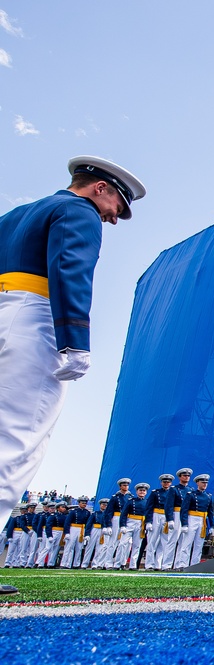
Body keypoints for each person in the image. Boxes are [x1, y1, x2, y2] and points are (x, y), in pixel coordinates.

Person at [0, 157, 146, 534]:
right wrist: (75, 341)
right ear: (100, 188)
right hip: (34, 319)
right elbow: (70, 269)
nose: (113, 218)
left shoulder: (17, 215)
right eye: (118, 207)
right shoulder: (79, 211)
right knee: (18, 440)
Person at [176, 474, 214, 569]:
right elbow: (184, 510)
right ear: (197, 483)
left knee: (199, 544)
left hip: (202, 521)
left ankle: (195, 565)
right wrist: (184, 524)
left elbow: (210, 512)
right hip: (191, 518)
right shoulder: (191, 495)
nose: (205, 484)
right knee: (187, 543)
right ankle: (183, 564)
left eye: (206, 483)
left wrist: (211, 526)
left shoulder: (208, 496)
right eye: (202, 482)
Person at [161, 468, 193, 570]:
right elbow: (168, 505)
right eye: (184, 475)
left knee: (184, 542)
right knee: (172, 541)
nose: (186, 477)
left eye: (188, 476)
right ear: (180, 477)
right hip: (176, 514)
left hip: (186, 516)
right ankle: (166, 564)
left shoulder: (191, 490)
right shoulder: (174, 489)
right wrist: (169, 519)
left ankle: (180, 564)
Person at [115, 482, 149, 570]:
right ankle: (118, 563)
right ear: (137, 491)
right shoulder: (131, 501)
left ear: (146, 492)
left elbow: (149, 514)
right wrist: (122, 525)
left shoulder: (147, 502)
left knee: (137, 545)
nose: (142, 492)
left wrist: (147, 524)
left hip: (141, 524)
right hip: (130, 523)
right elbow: (124, 513)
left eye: (143, 490)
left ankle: (133, 565)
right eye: (140, 490)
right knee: (123, 543)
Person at [144, 474, 173, 571]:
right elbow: (149, 507)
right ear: (161, 483)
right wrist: (148, 521)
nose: (166, 483)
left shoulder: (172, 492)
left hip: (167, 517)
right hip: (156, 515)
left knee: (164, 542)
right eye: (164, 482)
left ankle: (159, 564)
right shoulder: (155, 493)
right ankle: (149, 564)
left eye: (168, 482)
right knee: (152, 541)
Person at [60, 496, 92, 569]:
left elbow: (88, 524)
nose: (84, 504)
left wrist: (87, 534)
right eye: (82, 503)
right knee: (69, 547)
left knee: (79, 548)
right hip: (73, 528)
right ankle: (65, 563)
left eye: (85, 503)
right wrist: (67, 533)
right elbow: (67, 522)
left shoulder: (87, 513)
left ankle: (76, 564)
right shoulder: (73, 512)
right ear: (79, 503)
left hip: (81, 529)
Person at [81, 498, 108, 569]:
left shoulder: (108, 514)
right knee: (89, 547)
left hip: (104, 531)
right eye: (103, 504)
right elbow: (89, 524)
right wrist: (87, 534)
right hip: (95, 529)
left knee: (100, 549)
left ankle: (95, 564)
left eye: (106, 505)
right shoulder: (95, 513)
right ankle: (84, 564)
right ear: (100, 505)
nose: (104, 506)